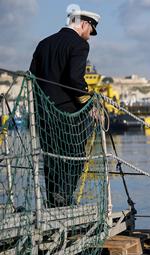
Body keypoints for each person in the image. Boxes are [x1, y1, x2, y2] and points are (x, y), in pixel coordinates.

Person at [29, 8, 100, 207]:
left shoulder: (44, 44)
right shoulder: (79, 45)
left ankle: (53, 201)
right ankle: (65, 198)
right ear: (84, 24)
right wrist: (89, 105)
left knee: (51, 158)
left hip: (44, 113)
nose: (89, 37)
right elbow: (74, 79)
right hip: (68, 114)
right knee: (75, 156)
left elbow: (32, 77)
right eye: (90, 32)